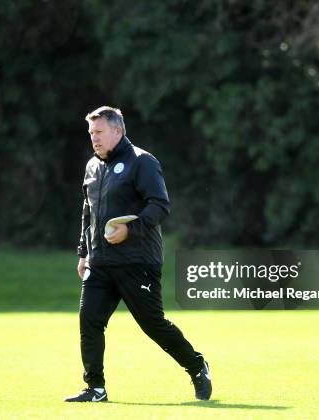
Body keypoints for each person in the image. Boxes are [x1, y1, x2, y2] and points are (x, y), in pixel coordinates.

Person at [64, 106, 212, 403]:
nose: (94, 139)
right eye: (91, 133)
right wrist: (83, 252)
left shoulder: (142, 162)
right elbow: (87, 211)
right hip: (100, 261)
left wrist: (129, 231)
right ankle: (95, 388)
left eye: (99, 132)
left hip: (137, 260)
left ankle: (196, 365)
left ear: (118, 131)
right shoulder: (93, 166)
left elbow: (159, 205)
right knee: (89, 319)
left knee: (152, 324)